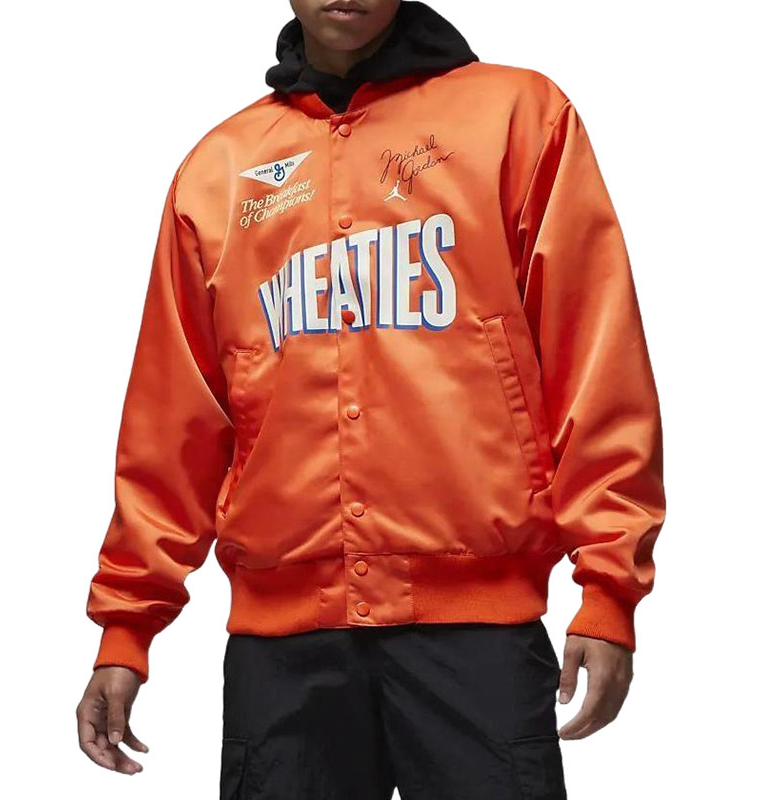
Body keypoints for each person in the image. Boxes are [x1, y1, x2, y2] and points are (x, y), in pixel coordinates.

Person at [76, 1, 666, 798]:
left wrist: (608, 588)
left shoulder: (517, 118)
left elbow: (594, 355)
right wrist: (126, 625)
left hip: (476, 636)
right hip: (284, 653)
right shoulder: (220, 169)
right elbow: (173, 415)